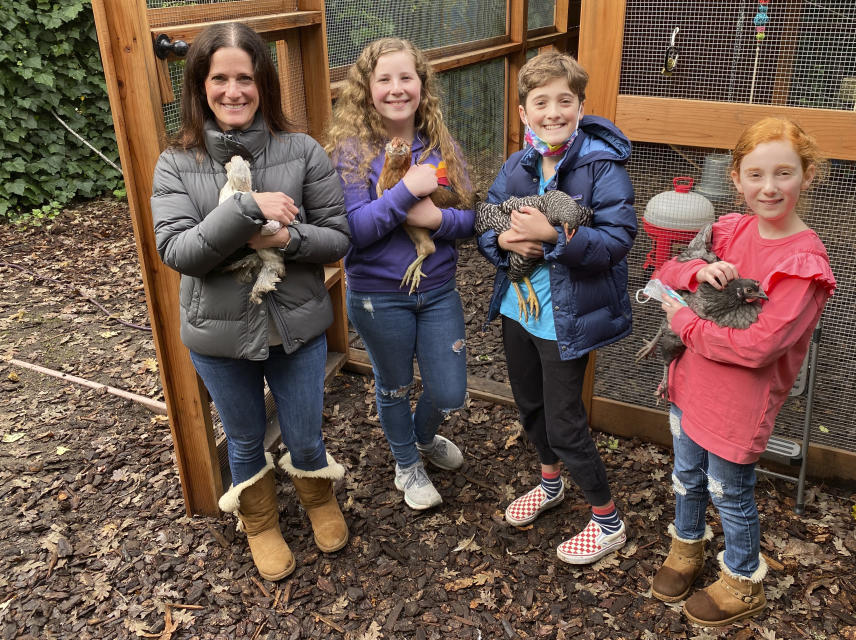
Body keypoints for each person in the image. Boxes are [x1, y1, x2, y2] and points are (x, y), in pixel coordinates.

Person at [150, 22, 351, 582]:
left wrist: (285, 238)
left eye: (245, 77)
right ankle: (260, 521)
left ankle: (317, 499)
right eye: (220, 79)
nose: (233, 91)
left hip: (297, 326)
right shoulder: (176, 162)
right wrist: (245, 216)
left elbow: (338, 236)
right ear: (200, 85)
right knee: (243, 437)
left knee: (305, 431)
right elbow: (178, 250)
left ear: (263, 82)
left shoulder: (302, 149)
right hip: (218, 335)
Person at [650, 117, 836, 626]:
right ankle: (686, 545)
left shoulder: (802, 263)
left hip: (739, 404)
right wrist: (695, 271)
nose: (769, 187)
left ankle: (741, 577)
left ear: (808, 175)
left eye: (783, 173)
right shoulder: (728, 230)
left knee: (728, 491)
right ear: (736, 178)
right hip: (689, 385)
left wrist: (685, 320)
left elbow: (759, 348)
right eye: (755, 174)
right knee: (686, 476)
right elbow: (664, 274)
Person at [476, 52, 636, 564]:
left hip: (566, 318)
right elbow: (485, 219)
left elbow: (617, 240)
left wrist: (552, 238)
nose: (552, 111)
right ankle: (550, 484)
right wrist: (503, 240)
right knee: (530, 406)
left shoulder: (600, 165)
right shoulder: (519, 164)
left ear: (580, 106)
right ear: (523, 112)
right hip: (518, 312)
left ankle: (607, 519)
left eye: (564, 100)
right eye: (540, 102)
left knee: (566, 422)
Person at [325, 38, 475, 510]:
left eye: (405, 77)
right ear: (366, 90)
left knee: (449, 389)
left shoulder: (438, 145)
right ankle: (406, 462)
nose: (396, 88)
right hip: (377, 295)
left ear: (421, 84)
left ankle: (422, 437)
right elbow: (354, 232)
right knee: (393, 384)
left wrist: (437, 221)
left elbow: (470, 217)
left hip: (437, 289)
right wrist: (407, 191)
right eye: (384, 79)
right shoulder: (350, 155)